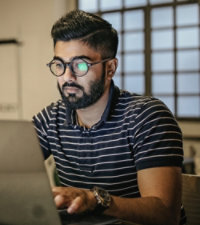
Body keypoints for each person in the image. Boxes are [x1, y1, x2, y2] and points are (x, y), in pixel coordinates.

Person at [33, 10, 185, 225]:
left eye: (80, 65)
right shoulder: (51, 118)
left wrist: (96, 200)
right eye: (60, 65)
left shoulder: (147, 117)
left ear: (110, 68)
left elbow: (166, 214)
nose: (67, 77)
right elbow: (4, 168)